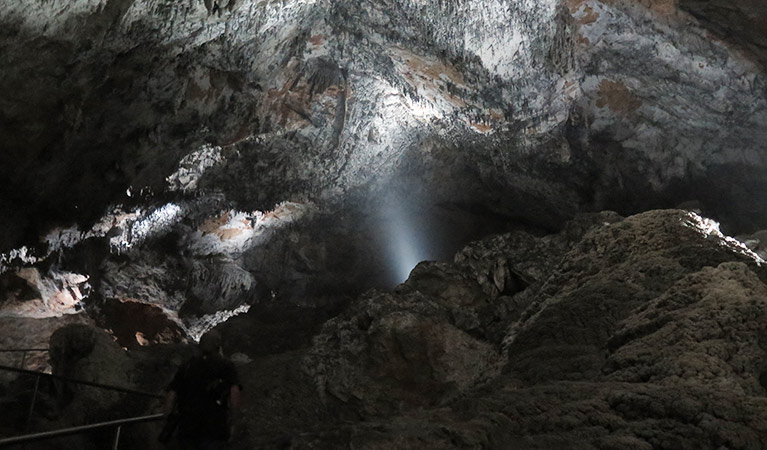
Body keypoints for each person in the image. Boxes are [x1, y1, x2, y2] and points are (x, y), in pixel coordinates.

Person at [163, 330, 242, 449]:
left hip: (187, 428)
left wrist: (167, 420)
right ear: (218, 346)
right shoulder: (226, 365)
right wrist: (235, 422)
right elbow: (234, 393)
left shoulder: (187, 366)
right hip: (215, 429)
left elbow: (172, 394)